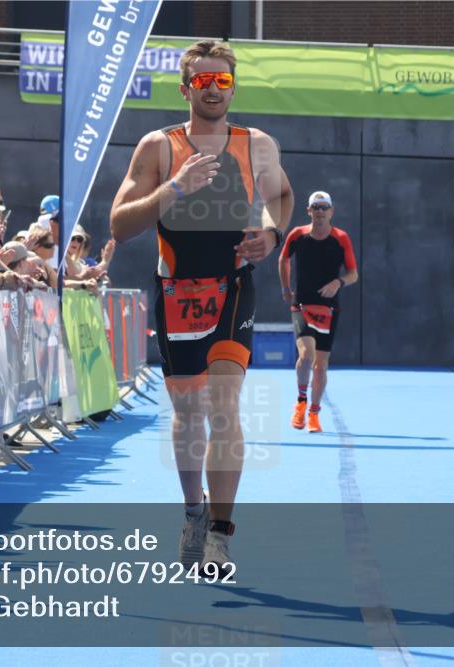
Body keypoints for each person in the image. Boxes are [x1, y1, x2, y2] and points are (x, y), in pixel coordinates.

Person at [110, 40, 293, 573]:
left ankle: (218, 532)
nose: (214, 89)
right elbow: (120, 225)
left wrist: (271, 232)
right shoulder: (158, 146)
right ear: (185, 86)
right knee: (189, 415)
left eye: (223, 81)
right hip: (176, 292)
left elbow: (282, 194)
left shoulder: (257, 144)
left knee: (223, 405)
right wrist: (173, 187)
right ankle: (193, 513)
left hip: (235, 285)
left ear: (234, 85)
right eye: (203, 81)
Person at [278, 191, 358, 433]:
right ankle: (301, 402)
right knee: (306, 355)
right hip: (301, 304)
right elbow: (283, 260)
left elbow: (353, 273)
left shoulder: (341, 238)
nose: (320, 211)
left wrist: (338, 283)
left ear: (331, 211)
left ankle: (314, 412)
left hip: (329, 309)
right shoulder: (297, 235)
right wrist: (285, 287)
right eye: (316, 207)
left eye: (324, 207)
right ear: (309, 211)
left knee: (321, 366)